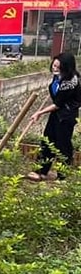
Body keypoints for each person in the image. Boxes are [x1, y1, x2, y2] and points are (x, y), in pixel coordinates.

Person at [27, 52, 81, 181]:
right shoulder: (58, 77)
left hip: (66, 116)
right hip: (57, 114)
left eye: (58, 67)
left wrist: (39, 113)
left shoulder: (71, 81)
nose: (54, 68)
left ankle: (62, 176)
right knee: (47, 141)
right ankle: (41, 171)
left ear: (66, 67)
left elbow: (58, 103)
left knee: (63, 145)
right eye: (54, 65)